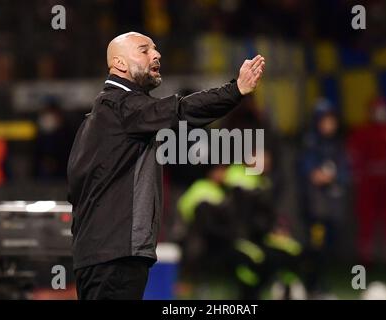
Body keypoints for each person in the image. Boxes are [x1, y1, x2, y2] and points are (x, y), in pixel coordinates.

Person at [67, 32, 265, 300]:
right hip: (116, 256)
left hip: (96, 255)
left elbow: (75, 189)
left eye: (156, 49)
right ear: (120, 64)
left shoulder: (98, 116)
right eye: (144, 50)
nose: (156, 54)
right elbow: (181, 112)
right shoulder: (122, 106)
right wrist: (235, 90)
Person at [347, 96, 386, 267]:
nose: (380, 114)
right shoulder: (362, 133)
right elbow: (354, 158)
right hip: (369, 185)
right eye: (376, 110)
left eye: (383, 110)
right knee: (366, 221)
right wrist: (359, 177)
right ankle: (365, 260)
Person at [297, 98, 350, 296]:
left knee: (327, 248)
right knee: (315, 248)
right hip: (315, 209)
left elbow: (345, 174)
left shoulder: (336, 145)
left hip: (331, 208)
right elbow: (313, 175)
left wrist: (333, 177)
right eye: (325, 120)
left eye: (332, 119)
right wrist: (326, 177)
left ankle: (317, 285)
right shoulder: (310, 144)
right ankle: (311, 285)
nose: (330, 124)